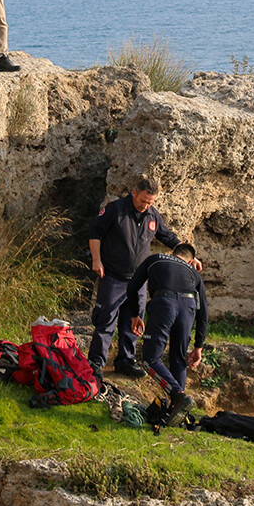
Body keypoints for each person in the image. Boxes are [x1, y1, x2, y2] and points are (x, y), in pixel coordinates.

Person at [87, 176, 200, 379]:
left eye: (150, 202)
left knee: (133, 321)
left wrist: (191, 257)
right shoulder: (115, 210)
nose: (145, 205)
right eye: (142, 201)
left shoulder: (153, 216)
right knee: (106, 321)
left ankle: (125, 361)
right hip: (113, 275)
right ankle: (96, 362)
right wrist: (97, 260)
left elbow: (169, 238)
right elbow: (95, 232)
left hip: (138, 280)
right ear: (134, 193)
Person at [128, 243, 208, 426]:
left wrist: (135, 315)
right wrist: (198, 346)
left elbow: (133, 286)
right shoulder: (194, 273)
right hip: (188, 308)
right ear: (191, 260)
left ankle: (178, 396)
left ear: (174, 253)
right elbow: (203, 311)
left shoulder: (155, 259)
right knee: (178, 359)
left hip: (165, 302)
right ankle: (177, 413)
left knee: (150, 359)